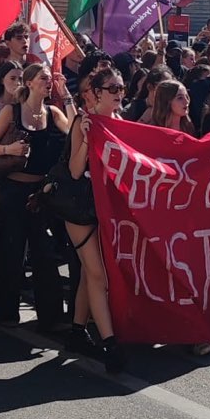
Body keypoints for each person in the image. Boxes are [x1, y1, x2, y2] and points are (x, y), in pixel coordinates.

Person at [0, 62, 71, 332]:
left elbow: (75, 132)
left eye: (49, 78)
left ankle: (51, 316)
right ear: (30, 82)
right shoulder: (11, 112)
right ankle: (6, 313)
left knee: (44, 254)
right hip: (14, 191)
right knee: (11, 251)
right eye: (44, 78)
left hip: (42, 194)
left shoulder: (54, 111)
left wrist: (67, 95)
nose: (49, 82)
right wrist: (7, 149)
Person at [63, 64, 124, 371]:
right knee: (99, 274)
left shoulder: (122, 123)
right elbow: (74, 171)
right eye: (113, 89)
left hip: (107, 209)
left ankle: (76, 329)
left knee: (91, 273)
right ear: (97, 94)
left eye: (121, 89)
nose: (119, 94)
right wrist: (87, 139)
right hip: (80, 208)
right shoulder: (82, 122)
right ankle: (109, 343)